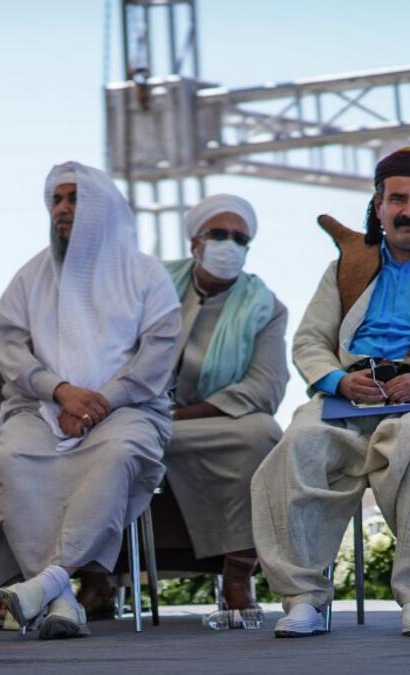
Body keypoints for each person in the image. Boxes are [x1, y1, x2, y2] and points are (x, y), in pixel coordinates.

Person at [250, 146, 410, 637]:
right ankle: (303, 598)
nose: (409, 210)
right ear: (378, 204)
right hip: (351, 395)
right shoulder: (345, 268)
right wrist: (338, 379)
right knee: (297, 446)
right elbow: (310, 340)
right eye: (398, 199)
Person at [0, 161, 180, 639]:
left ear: (101, 208)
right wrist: (60, 392)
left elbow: (157, 356)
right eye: (56, 201)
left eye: (73, 199)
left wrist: (99, 402)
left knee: (118, 454)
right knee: (11, 460)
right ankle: (61, 597)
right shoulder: (30, 276)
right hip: (37, 406)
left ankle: (47, 583)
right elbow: (10, 348)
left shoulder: (147, 275)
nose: (61, 210)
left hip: (129, 408)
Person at [79, 195, 289, 617]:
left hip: (199, 423)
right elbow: (105, 348)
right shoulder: (149, 281)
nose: (229, 245)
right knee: (94, 440)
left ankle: (236, 574)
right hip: (131, 412)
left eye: (239, 238)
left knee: (261, 432)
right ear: (194, 240)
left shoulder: (265, 305)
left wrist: (180, 416)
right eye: (218, 234)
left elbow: (265, 386)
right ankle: (95, 577)